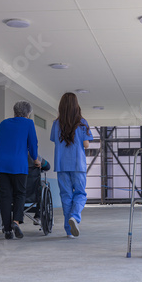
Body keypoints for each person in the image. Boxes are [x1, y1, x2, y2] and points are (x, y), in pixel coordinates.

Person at [0, 101, 40, 239]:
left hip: (0, 164)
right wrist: (36, 159)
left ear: (14, 111)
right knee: (20, 194)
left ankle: (7, 230)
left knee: (5, 196)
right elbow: (33, 145)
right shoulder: (29, 124)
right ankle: (16, 221)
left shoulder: (3, 123)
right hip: (18, 165)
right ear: (28, 114)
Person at [50, 92, 93, 238]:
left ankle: (69, 232)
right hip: (78, 165)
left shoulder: (56, 124)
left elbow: (55, 141)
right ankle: (75, 216)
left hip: (61, 165)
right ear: (76, 105)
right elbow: (86, 145)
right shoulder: (82, 123)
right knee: (80, 194)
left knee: (66, 196)